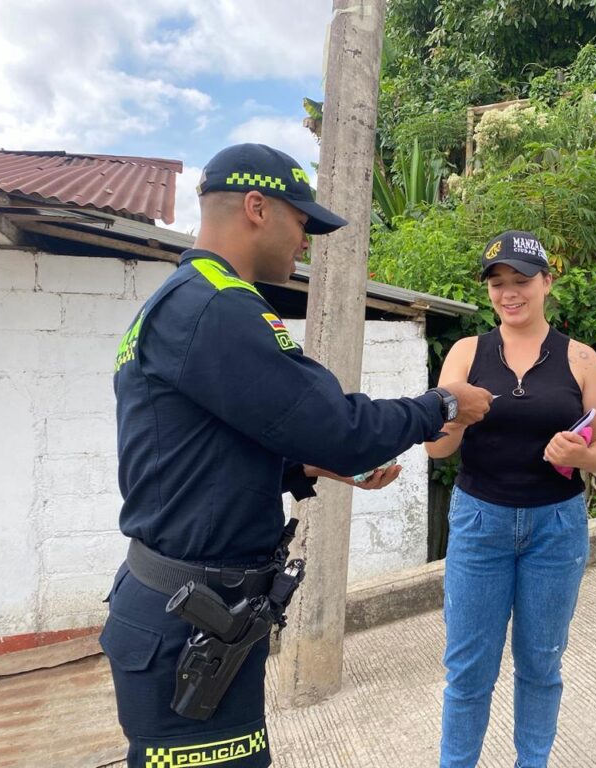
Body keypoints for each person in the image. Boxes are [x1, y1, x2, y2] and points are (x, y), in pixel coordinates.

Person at [101, 143, 492, 768]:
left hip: (191, 615)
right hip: (190, 623)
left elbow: (200, 454)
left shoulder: (180, 300)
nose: (306, 242)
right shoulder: (218, 307)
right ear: (256, 206)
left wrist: (311, 466)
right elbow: (338, 425)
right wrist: (440, 406)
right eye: (301, 222)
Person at [427, 230, 596, 768]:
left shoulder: (581, 359)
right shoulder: (467, 353)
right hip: (479, 523)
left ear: (547, 283)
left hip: (556, 528)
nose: (509, 293)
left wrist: (582, 457)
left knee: (540, 664)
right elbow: (439, 449)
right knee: (468, 668)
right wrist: (446, 418)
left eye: (521, 281)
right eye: (498, 284)